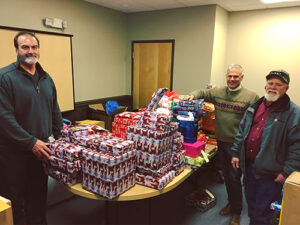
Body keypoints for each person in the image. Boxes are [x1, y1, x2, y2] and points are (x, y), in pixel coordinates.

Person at [0, 31, 63, 225]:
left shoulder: (46, 78)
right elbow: (4, 118)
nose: (30, 51)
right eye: (25, 47)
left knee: (38, 199)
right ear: (17, 49)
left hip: (41, 152)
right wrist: (31, 142)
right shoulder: (5, 77)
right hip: (14, 155)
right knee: (16, 203)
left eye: (34, 47)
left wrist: (59, 139)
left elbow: (55, 111)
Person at [185, 64, 259, 225]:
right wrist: (192, 95)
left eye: (236, 76)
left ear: (242, 78)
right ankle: (231, 204)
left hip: (236, 145)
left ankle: (236, 213)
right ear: (226, 77)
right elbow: (202, 93)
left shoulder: (251, 96)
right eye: (229, 76)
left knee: (234, 178)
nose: (232, 79)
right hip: (220, 141)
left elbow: (258, 120)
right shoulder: (218, 92)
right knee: (227, 177)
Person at [231, 70, 300, 225]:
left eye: (278, 84)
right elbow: (242, 131)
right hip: (249, 167)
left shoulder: (294, 113)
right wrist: (236, 153)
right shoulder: (255, 106)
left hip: (271, 174)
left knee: (262, 212)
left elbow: (297, 147)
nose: (273, 87)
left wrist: (287, 171)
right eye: (270, 83)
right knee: (252, 203)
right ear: (265, 85)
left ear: (286, 88)